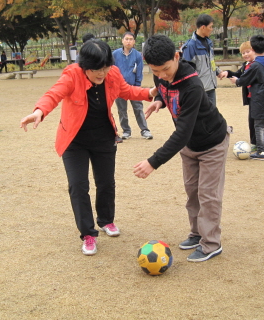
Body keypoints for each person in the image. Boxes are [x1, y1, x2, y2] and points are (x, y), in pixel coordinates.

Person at [20, 40, 157, 256]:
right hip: (74, 141)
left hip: (103, 138)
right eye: (97, 69)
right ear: (85, 66)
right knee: (78, 186)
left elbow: (127, 90)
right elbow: (53, 94)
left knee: (106, 183)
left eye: (106, 67)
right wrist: (39, 111)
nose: (102, 73)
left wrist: (150, 92)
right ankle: (88, 234)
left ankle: (106, 220)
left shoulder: (111, 74)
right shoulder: (72, 74)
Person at [134, 35, 230, 263]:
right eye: (155, 72)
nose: (161, 76)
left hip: (211, 144)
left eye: (165, 69)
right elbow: (167, 90)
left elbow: (182, 133)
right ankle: (197, 234)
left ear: (177, 57)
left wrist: (153, 162)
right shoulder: (161, 77)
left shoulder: (193, 86)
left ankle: (211, 244)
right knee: (192, 192)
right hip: (190, 147)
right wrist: (161, 101)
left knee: (208, 195)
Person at [228, 35, 264, 160]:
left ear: (252, 48)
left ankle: (261, 151)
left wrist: (236, 81)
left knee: (258, 124)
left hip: (259, 99)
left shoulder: (255, 65)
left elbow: (244, 80)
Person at [219, 41, 264, 153]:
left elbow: (244, 79)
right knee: (252, 120)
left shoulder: (258, 65)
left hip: (262, 98)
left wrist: (237, 81)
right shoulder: (246, 65)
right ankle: (255, 142)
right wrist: (227, 73)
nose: (245, 55)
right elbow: (238, 74)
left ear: (254, 51)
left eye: (248, 51)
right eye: (243, 53)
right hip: (252, 98)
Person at [114, 32, 153, 140]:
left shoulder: (137, 55)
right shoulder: (115, 54)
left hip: (134, 87)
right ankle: (126, 130)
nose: (128, 41)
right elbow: (112, 70)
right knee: (122, 110)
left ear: (134, 42)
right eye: (126, 39)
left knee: (138, 108)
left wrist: (137, 85)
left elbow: (139, 71)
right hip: (119, 88)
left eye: (131, 39)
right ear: (122, 40)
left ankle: (144, 130)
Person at [181, 14, 221, 106]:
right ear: (203, 27)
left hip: (211, 87)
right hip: (199, 90)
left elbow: (211, 62)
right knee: (201, 118)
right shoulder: (190, 46)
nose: (212, 29)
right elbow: (187, 70)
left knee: (212, 117)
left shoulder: (208, 43)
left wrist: (218, 71)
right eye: (210, 27)